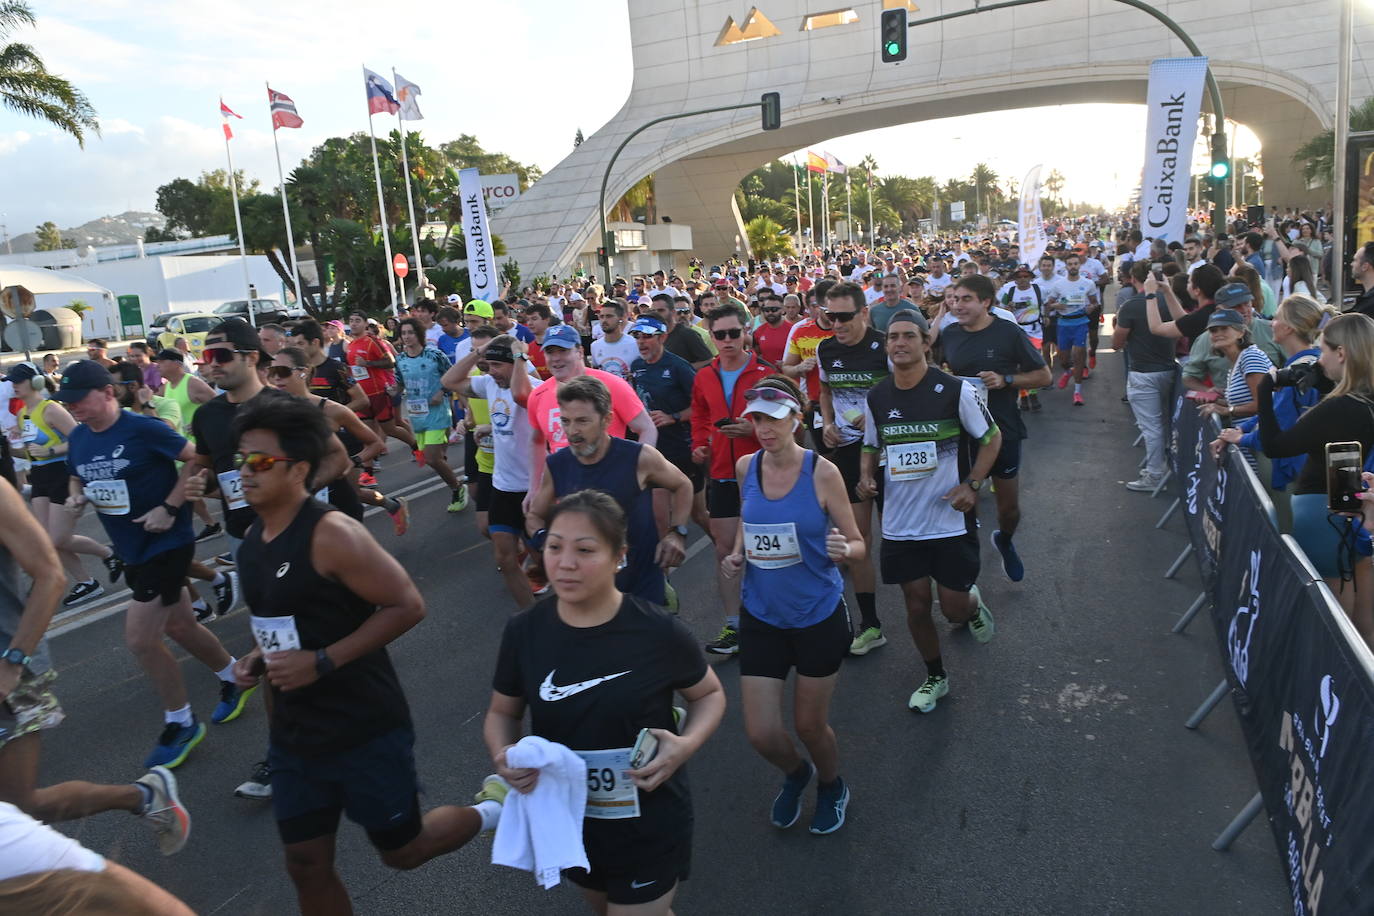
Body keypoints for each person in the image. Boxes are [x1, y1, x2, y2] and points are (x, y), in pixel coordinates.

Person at [228, 395, 507, 916]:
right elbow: (287, 621)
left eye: (261, 461)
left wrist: (324, 661)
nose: (245, 471)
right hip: (295, 734)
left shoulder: (332, 534)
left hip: (362, 726)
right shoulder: (251, 544)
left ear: (300, 470)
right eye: (241, 459)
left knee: (405, 852)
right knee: (305, 864)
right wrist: (257, 659)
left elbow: (407, 604)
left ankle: (494, 810)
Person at [485, 489, 726, 915]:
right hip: (572, 819)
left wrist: (685, 745)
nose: (565, 562)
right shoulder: (525, 631)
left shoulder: (656, 631)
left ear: (620, 556)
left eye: (585, 550)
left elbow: (708, 694)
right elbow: (503, 712)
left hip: (649, 821)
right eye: (555, 547)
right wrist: (504, 754)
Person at [58, 360, 249, 768]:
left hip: (167, 541)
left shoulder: (142, 428)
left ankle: (181, 722)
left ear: (108, 393)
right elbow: (75, 474)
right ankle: (234, 676)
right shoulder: (78, 437)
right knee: (180, 625)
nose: (74, 407)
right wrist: (77, 494)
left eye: (80, 400)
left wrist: (169, 506)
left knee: (141, 640)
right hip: (132, 547)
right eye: (67, 401)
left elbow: (197, 459)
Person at [0, 476, 191, 857]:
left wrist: (13, 662)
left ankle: (140, 797)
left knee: (21, 808)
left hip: (6, 667)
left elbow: (51, 576)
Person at [720, 375, 865, 834]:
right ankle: (795, 773)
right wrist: (739, 550)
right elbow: (749, 513)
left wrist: (847, 551)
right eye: (757, 419)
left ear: (796, 420)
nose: (764, 428)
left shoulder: (822, 472)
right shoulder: (747, 466)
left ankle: (830, 783)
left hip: (817, 615)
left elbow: (859, 542)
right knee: (761, 733)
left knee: (808, 726)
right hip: (762, 614)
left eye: (774, 419)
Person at [857, 310, 1000, 713]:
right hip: (901, 524)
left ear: (925, 343)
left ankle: (971, 602)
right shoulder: (878, 395)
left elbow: (991, 438)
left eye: (908, 337)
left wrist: (972, 484)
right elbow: (870, 445)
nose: (899, 344)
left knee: (952, 607)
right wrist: (866, 477)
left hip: (948, 517)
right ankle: (935, 675)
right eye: (893, 338)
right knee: (917, 603)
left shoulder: (955, 390)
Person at [527, 375, 692, 607]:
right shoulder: (557, 465)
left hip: (641, 586)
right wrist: (547, 541)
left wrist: (677, 533)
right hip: (588, 591)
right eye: (566, 421)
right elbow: (534, 515)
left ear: (607, 420)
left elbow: (683, 485)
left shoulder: (639, 457)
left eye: (582, 421)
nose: (572, 431)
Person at [939, 275, 1051, 582]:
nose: (956, 305)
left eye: (965, 299)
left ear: (985, 302)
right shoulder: (949, 334)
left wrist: (1007, 380)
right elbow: (936, 372)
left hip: (1004, 428)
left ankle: (1004, 538)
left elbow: (1044, 376)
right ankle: (966, 573)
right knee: (964, 502)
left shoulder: (1008, 333)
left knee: (1009, 509)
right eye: (954, 299)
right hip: (963, 432)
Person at [692, 304, 775, 654]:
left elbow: (792, 428)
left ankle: (773, 620)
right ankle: (734, 626)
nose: (727, 341)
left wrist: (753, 431)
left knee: (766, 550)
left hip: (762, 473)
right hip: (723, 475)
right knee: (725, 551)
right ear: (711, 337)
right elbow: (700, 415)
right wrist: (700, 445)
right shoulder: (705, 376)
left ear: (746, 332)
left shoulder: (765, 373)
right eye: (719, 335)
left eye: (733, 333)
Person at [814, 282, 891, 652]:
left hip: (890, 453)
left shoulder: (885, 345)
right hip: (847, 450)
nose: (837, 324)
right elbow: (825, 392)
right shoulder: (825, 348)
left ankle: (955, 594)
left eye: (844, 317)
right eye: (830, 316)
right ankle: (871, 623)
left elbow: (906, 390)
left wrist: (875, 418)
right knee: (859, 540)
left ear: (863, 313)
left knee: (904, 538)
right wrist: (827, 423)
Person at [1214, 295, 1329, 531]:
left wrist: (1242, 437)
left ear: (1287, 328)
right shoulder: (1298, 366)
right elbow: (1272, 409)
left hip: (1292, 470)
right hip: (1292, 466)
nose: (1271, 323)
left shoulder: (1303, 370)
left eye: (1276, 318)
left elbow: (1281, 427)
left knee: (1286, 531)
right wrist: (1242, 429)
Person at [8, 363, 120, 606]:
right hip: (38, 475)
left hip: (60, 473)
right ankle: (86, 582)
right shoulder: (22, 414)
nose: (14, 385)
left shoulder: (52, 409)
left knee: (58, 538)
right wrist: (7, 450)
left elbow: (80, 439)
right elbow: (29, 454)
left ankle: (109, 553)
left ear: (36, 382)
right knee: (47, 539)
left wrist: (50, 450)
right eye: (12, 381)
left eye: (19, 380)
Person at [442, 334, 541, 606]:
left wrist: (521, 355)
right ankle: (530, 615)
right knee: (504, 558)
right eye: (489, 365)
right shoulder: (489, 384)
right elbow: (449, 381)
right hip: (503, 486)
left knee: (545, 561)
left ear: (515, 364)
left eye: (498, 365)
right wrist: (480, 351)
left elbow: (522, 397)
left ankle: (563, 613)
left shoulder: (538, 388)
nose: (491, 371)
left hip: (534, 489)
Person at [266, 347, 405, 535]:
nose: (276, 379)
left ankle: (393, 506)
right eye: (271, 373)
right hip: (295, 500)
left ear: (304, 372)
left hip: (336, 500)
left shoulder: (331, 409)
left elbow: (376, 444)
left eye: (282, 372)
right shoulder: (270, 411)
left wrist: (352, 461)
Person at [523, 324, 657, 497]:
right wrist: (534, 488)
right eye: (550, 352)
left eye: (562, 351)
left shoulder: (612, 385)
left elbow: (647, 428)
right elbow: (536, 442)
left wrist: (634, 473)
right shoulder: (538, 395)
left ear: (579, 352)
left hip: (610, 493)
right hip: (564, 493)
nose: (555, 358)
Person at [629, 316, 709, 533]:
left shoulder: (678, 367)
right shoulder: (636, 366)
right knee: (659, 520)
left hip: (682, 448)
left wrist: (672, 416)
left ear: (663, 337)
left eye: (647, 337)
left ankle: (725, 550)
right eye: (638, 336)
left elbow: (703, 407)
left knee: (698, 514)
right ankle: (664, 565)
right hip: (655, 451)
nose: (641, 342)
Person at [1113, 261, 1180, 492]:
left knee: (1152, 427)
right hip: (1169, 370)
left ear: (1133, 278)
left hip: (1143, 374)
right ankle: (1158, 468)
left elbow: (1116, 343)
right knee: (1161, 424)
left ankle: (1154, 475)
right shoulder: (1167, 301)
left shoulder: (1132, 305)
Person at [394, 317, 468, 512]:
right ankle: (456, 481)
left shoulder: (434, 355)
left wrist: (441, 392)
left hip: (438, 412)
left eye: (410, 332)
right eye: (403, 333)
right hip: (417, 415)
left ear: (419, 334)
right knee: (438, 458)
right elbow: (399, 383)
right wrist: (392, 390)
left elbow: (453, 376)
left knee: (432, 458)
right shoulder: (400, 359)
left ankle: (457, 488)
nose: (407, 337)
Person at [345, 311, 420, 463]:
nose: (353, 323)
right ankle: (368, 472)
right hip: (362, 396)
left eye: (357, 320)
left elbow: (390, 362)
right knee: (366, 434)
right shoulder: (350, 345)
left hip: (378, 393)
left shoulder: (372, 341)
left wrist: (368, 364)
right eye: (351, 320)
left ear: (365, 324)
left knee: (390, 429)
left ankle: (415, 446)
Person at [1046, 253, 1100, 405]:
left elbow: (1094, 303)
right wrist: (1058, 306)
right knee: (1063, 359)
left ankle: (1077, 392)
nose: (1073, 266)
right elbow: (1049, 304)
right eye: (1070, 264)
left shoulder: (1088, 283)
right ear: (1066, 266)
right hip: (1063, 324)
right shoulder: (1059, 285)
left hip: (1080, 324)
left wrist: (1091, 308)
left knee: (1078, 357)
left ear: (1079, 265)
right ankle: (1068, 372)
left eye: (1075, 264)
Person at [590, 299, 638, 380]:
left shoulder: (635, 344)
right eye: (601, 317)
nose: (604, 320)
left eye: (609, 316)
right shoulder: (595, 346)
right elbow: (596, 373)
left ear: (621, 318)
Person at [751, 294, 795, 365]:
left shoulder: (793, 331)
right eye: (767, 310)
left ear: (783, 310)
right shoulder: (758, 331)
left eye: (774, 309)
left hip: (787, 375)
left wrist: (787, 364)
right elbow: (755, 355)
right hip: (767, 375)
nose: (770, 313)